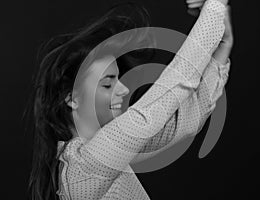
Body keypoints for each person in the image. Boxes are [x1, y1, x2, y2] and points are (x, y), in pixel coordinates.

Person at [26, 0, 233, 199]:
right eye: (108, 83)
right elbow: (173, 86)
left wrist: (221, 46)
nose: (124, 89)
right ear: (72, 99)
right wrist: (215, 7)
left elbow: (185, 122)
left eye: (119, 79)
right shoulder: (85, 167)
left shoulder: (112, 155)